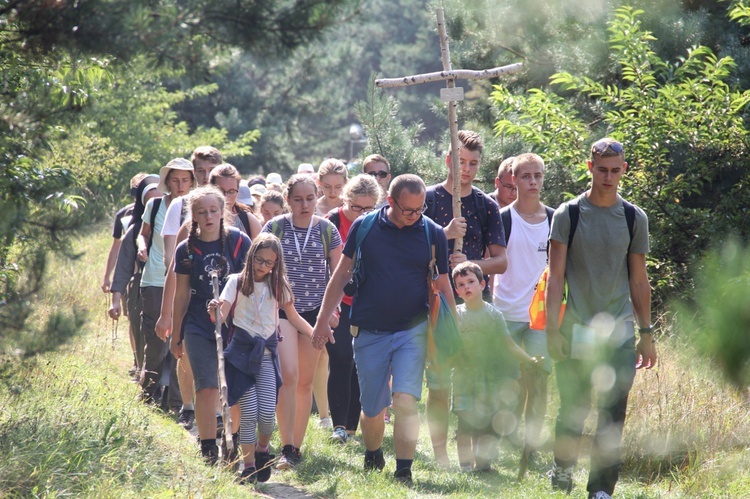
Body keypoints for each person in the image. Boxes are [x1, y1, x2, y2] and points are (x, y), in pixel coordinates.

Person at [311, 174, 455, 484]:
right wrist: (322, 321)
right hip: (369, 329)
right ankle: (373, 453)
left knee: (405, 400)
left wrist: (454, 330)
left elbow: (443, 283)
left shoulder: (432, 234)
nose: (416, 216)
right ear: (390, 202)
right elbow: (340, 274)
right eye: (409, 210)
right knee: (373, 406)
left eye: (421, 209)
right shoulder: (366, 228)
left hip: (412, 331)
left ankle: (404, 471)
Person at [545, 138, 656, 498]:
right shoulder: (569, 214)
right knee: (573, 409)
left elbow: (639, 279)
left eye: (615, 170)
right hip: (576, 329)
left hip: (620, 334)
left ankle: (601, 489)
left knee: (612, 415)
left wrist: (646, 332)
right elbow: (555, 276)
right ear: (590, 167)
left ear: (624, 170)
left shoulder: (633, 217)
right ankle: (562, 469)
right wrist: (551, 330)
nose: (608, 177)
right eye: (602, 169)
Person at [423, 130, 507, 467]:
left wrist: (472, 265)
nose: (467, 169)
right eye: (461, 162)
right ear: (448, 161)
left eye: (473, 163)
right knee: (440, 382)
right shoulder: (427, 199)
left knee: (475, 381)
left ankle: (474, 453)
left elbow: (500, 260)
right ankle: (441, 454)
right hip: (436, 303)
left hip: (474, 307)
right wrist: (444, 237)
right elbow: (409, 248)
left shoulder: (486, 206)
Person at [209, 233, 312, 483]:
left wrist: (316, 333)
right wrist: (214, 311)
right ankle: (248, 465)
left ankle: (263, 449)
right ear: (251, 254)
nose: (263, 266)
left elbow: (293, 317)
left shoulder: (279, 285)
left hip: (266, 354)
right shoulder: (235, 281)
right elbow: (220, 316)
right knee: (249, 412)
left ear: (277, 264)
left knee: (267, 415)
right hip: (241, 355)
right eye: (259, 259)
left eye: (269, 262)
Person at [261, 174, 342, 469]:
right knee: (289, 376)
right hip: (281, 311)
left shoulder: (327, 229)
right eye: (298, 199)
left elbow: (338, 273)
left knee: (306, 381)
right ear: (288, 199)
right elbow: (261, 268)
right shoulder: (275, 228)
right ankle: (284, 444)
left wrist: (333, 311)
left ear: (317, 196)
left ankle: (295, 448)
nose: (305, 204)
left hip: (316, 313)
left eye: (310, 198)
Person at [170, 185, 252, 464]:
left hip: (235, 325)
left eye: (214, 211)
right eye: (201, 212)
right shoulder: (186, 249)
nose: (208, 216)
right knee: (206, 386)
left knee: (233, 387)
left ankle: (233, 439)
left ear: (223, 212)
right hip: (197, 324)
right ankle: (207, 448)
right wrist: (176, 332)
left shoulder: (239, 242)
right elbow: (181, 293)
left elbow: (252, 284)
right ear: (193, 215)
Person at [157, 146, 223, 428]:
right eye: (200, 171)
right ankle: (188, 406)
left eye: (211, 170)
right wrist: (167, 314)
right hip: (194, 303)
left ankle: (219, 415)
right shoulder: (180, 207)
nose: (206, 175)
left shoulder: (236, 215)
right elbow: (174, 266)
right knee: (187, 353)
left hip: (225, 309)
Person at [493, 153, 554, 455]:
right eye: (526, 176)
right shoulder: (503, 218)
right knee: (510, 381)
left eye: (538, 176)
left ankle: (531, 444)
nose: (532, 182)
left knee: (539, 381)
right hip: (507, 314)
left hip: (541, 318)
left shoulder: (557, 219)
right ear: (513, 180)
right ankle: (508, 437)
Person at [451, 261, 538, 472]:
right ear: (456, 290)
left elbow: (508, 344)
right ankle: (464, 466)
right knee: (465, 425)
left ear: (483, 284)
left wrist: (528, 359)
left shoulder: (493, 315)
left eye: (470, 282)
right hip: (463, 378)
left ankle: (483, 464)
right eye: (461, 284)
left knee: (485, 424)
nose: (466, 287)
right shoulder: (456, 314)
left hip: (489, 378)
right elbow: (449, 346)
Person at [324, 174, 381, 444]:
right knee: (341, 359)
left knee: (361, 364)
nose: (363, 214)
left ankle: (351, 428)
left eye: (369, 208)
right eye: (357, 208)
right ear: (345, 200)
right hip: (338, 302)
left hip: (367, 301)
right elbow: (324, 266)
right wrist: (329, 305)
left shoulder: (379, 222)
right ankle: (337, 425)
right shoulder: (332, 222)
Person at [136, 158, 196, 406]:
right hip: (155, 279)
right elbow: (143, 234)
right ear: (167, 182)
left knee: (180, 340)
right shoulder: (155, 204)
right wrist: (142, 248)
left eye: (185, 180)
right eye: (175, 180)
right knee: (155, 338)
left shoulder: (198, 207)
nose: (180, 185)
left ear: (192, 182)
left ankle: (174, 402)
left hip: (185, 283)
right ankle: (148, 393)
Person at [108, 175, 161, 376]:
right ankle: (145, 377)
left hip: (169, 286)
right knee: (142, 336)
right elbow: (122, 269)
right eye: (150, 201)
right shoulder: (135, 231)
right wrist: (115, 301)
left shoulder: (177, 229)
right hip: (140, 289)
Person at [101, 173, 149, 294]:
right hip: (130, 273)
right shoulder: (123, 214)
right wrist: (107, 277)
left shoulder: (159, 210)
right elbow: (116, 247)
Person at [209, 163, 262, 239]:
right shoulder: (199, 219)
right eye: (220, 191)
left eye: (231, 191)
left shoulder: (249, 221)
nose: (226, 197)